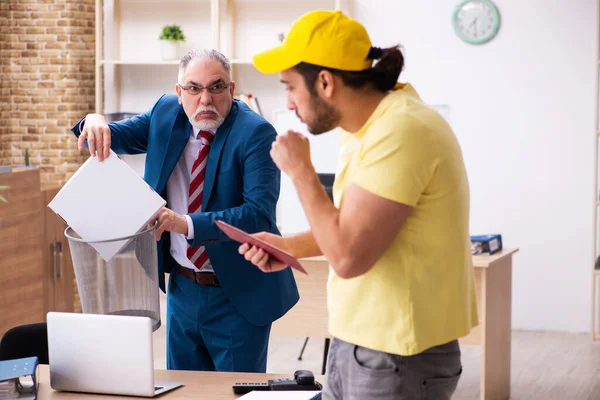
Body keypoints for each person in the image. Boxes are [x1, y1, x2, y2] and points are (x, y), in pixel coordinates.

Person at [242, 10, 479, 399]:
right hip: (361, 344)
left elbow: (349, 257)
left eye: (289, 87)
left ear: (325, 82)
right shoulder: (367, 128)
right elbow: (351, 228)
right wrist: (287, 247)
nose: (289, 103)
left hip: (397, 355)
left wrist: (301, 172)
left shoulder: (401, 130)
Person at [71, 49, 299, 373]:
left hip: (236, 292)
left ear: (231, 90)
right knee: (184, 391)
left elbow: (257, 215)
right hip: (181, 289)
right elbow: (111, 137)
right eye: (194, 88)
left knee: (235, 395)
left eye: (216, 87)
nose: (205, 99)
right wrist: (94, 120)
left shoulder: (256, 133)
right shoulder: (166, 113)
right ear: (179, 93)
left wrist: (185, 223)